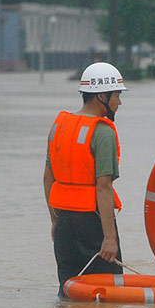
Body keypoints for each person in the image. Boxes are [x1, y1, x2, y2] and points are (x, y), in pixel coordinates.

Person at [44, 62, 128, 296]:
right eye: (117, 95)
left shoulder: (59, 126)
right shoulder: (103, 132)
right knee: (107, 293)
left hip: (63, 224)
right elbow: (103, 188)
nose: (119, 102)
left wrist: (54, 221)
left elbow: (48, 178)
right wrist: (110, 239)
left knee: (69, 291)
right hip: (93, 224)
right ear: (102, 95)